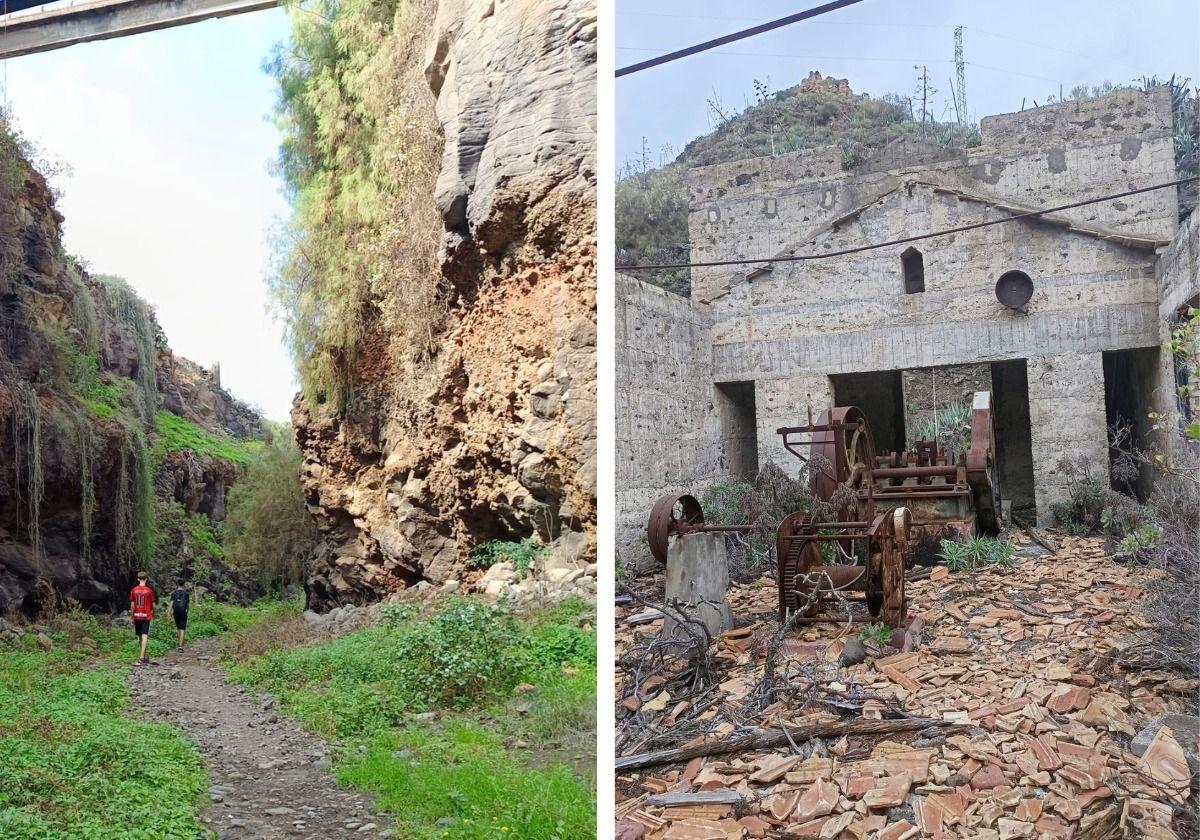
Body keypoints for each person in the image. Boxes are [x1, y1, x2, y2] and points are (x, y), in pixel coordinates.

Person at [129, 571, 157, 666]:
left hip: (137, 615)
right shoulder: (149, 591)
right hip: (146, 615)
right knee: (145, 635)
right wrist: (154, 612)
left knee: (140, 636)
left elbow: (132, 606)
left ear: (138, 579)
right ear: (146, 579)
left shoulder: (133, 590)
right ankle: (142, 657)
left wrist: (131, 617)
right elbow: (154, 605)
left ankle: (143, 656)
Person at [169, 581, 191, 652]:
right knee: (182, 628)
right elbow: (187, 605)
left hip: (176, 612)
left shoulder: (174, 593)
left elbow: (171, 603)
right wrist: (187, 611)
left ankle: (179, 644)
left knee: (178, 628)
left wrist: (169, 613)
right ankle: (180, 646)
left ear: (177, 584)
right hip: (183, 612)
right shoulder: (186, 594)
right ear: (184, 585)